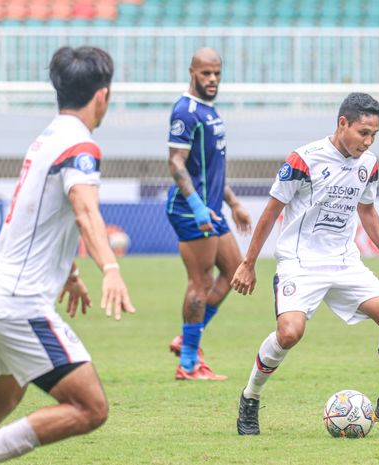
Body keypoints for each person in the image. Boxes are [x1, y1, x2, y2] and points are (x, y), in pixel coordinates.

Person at [0, 46, 136, 465]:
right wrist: (111, 268)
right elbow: (86, 211)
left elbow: (40, 218)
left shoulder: (47, 138)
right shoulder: (81, 146)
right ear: (103, 95)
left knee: (3, 397)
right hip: (18, 303)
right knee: (90, 407)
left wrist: (70, 273)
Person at [231, 93, 379, 436]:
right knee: (290, 334)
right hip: (300, 262)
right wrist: (248, 263)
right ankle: (250, 397)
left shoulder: (369, 164)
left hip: (344, 261)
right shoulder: (303, 160)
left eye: (374, 135)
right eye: (363, 132)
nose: (368, 142)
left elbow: (367, 211)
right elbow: (271, 212)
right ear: (342, 123)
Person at [166, 47, 252, 381]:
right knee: (199, 283)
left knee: (233, 271)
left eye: (216, 72)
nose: (212, 79)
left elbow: (209, 171)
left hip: (212, 207)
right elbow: (176, 162)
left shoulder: (210, 112)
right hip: (191, 211)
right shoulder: (185, 111)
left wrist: (233, 203)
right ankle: (188, 363)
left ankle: (187, 337)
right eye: (206, 73)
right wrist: (199, 207)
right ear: (192, 72)